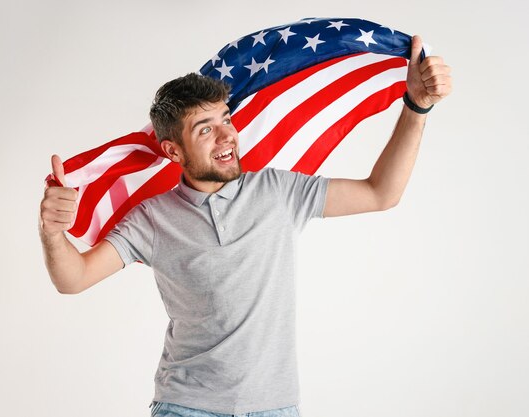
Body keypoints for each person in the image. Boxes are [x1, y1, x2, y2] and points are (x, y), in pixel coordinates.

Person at [38, 35, 452, 417]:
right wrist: (52, 233)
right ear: (172, 150)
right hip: (185, 407)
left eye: (225, 120)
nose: (226, 137)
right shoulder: (151, 218)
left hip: (275, 407)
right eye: (205, 129)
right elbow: (74, 279)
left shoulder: (277, 189)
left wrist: (416, 107)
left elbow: (381, 193)